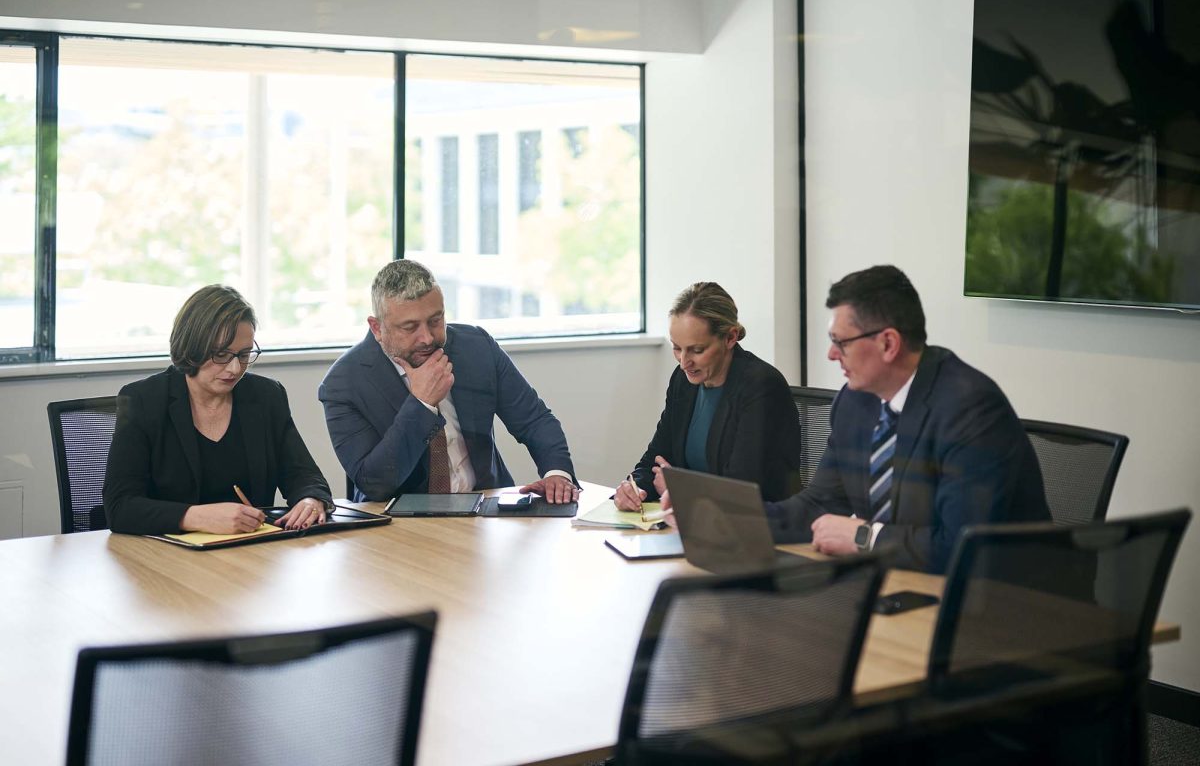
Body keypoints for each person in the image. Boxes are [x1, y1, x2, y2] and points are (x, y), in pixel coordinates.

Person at [764, 265, 1050, 573]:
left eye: (841, 342)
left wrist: (864, 537)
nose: (832, 354)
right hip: (902, 582)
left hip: (1011, 598)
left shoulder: (971, 410)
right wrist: (733, 522)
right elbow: (820, 502)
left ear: (888, 344)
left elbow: (962, 546)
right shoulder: (855, 402)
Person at [319, 259, 578, 503]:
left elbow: (534, 420)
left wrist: (557, 474)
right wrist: (421, 404)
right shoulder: (344, 383)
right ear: (377, 328)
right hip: (398, 523)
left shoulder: (476, 347)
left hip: (484, 509)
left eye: (435, 320)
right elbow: (375, 483)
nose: (427, 338)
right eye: (410, 327)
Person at [103, 285, 333, 535]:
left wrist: (311, 500)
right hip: (168, 557)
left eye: (244, 355)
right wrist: (196, 517)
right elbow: (121, 507)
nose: (235, 368)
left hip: (248, 553)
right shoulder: (143, 400)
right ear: (192, 347)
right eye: (221, 355)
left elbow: (304, 475)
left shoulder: (267, 396)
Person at [615, 282, 801, 512]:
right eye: (677, 348)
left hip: (757, 528)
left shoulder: (761, 386)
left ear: (730, 338)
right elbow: (657, 456)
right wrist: (634, 487)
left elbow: (742, 488)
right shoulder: (684, 380)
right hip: (694, 521)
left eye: (697, 350)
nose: (684, 362)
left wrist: (679, 489)